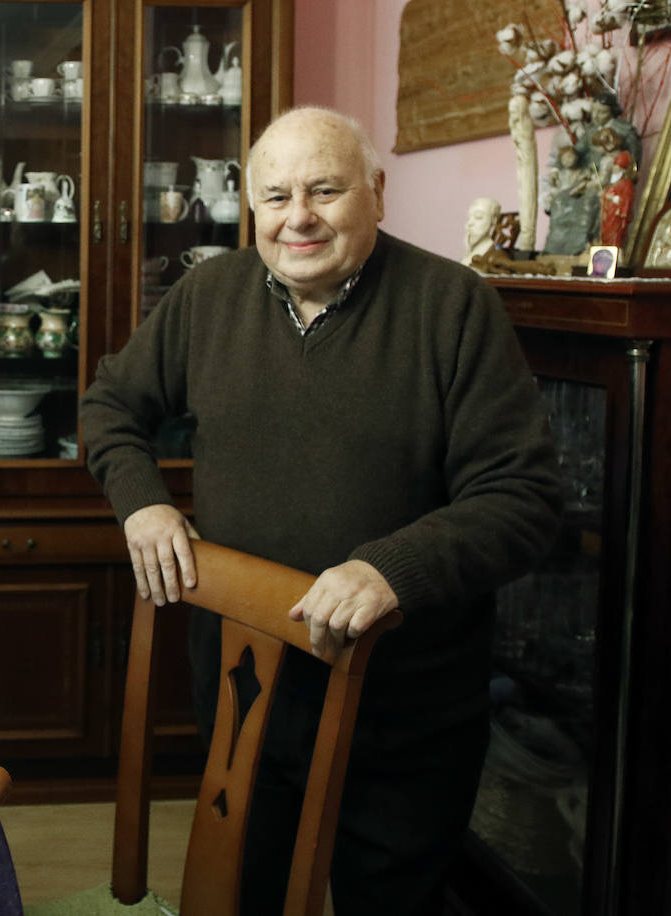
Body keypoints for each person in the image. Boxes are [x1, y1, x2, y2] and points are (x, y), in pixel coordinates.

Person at [78, 106, 562, 915]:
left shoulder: (454, 306)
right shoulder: (208, 294)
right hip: (246, 692)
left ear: (376, 192)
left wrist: (389, 569)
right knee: (242, 895)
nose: (297, 216)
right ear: (252, 210)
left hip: (405, 709)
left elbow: (523, 497)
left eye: (325, 190)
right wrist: (143, 505)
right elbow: (109, 405)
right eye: (275, 197)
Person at [461, 196, 501, 269]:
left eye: (478, 217)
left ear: (493, 220)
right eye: (468, 218)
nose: (470, 223)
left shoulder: (492, 252)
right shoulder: (470, 250)